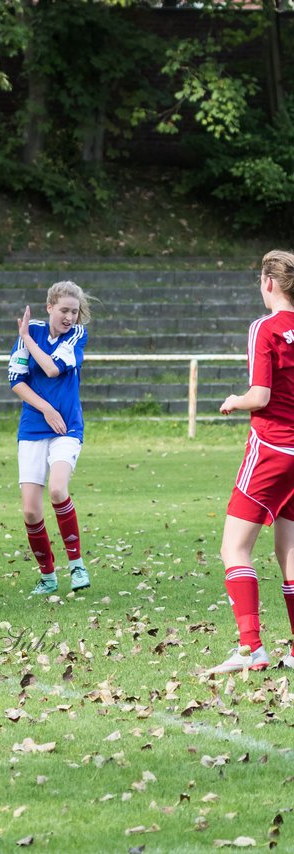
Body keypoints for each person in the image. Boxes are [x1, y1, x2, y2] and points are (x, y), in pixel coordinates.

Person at [210, 250, 294, 674]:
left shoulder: (265, 328)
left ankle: (251, 649)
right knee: (291, 551)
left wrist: (233, 401)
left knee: (234, 548)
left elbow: (260, 396)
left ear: (268, 284)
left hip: (272, 450)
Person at [8, 281, 92, 596]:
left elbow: (53, 368)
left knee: (58, 488)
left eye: (74, 311)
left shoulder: (77, 335)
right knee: (30, 510)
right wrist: (45, 409)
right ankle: (47, 576)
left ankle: (76, 565)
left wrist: (27, 339)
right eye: (64, 310)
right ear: (50, 307)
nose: (70, 317)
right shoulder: (30, 332)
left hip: (67, 426)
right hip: (34, 426)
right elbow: (16, 381)